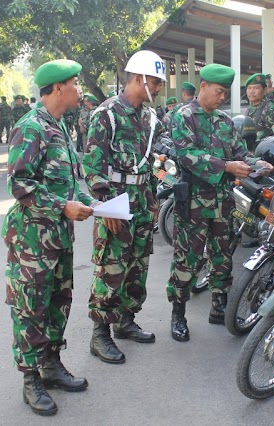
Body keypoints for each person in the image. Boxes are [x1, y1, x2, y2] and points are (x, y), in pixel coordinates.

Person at [3, 59, 96, 416]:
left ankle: (51, 365)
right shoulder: (31, 127)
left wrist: (91, 202)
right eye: (74, 83)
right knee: (31, 309)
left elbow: (66, 182)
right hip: (32, 240)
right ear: (57, 88)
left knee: (59, 301)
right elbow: (21, 184)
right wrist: (63, 207)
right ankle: (30, 380)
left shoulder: (59, 126)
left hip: (58, 236)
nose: (79, 89)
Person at [165, 63, 273, 342]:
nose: (222, 97)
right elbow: (187, 155)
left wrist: (256, 162)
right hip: (193, 203)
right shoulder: (183, 116)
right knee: (187, 259)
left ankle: (219, 306)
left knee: (222, 256)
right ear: (203, 87)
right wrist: (227, 166)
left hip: (223, 202)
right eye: (219, 91)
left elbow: (240, 152)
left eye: (226, 93)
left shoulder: (224, 122)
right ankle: (178, 313)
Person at [83, 50, 166, 364]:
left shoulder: (149, 116)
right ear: (138, 78)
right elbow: (92, 165)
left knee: (137, 267)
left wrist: (155, 197)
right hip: (116, 203)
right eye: (155, 82)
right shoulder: (106, 113)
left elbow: (152, 162)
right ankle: (100, 334)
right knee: (111, 268)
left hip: (143, 202)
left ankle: (126, 321)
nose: (158, 88)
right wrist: (104, 206)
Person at [245, 73, 274, 147]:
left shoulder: (270, 109)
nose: (252, 91)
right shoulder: (251, 108)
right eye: (249, 88)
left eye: (256, 88)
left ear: (264, 89)